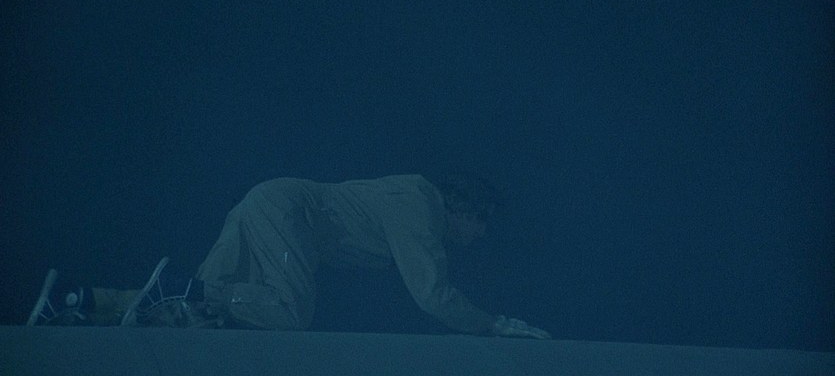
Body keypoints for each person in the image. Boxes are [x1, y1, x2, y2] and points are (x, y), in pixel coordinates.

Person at [27, 174, 551, 339]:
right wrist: (493, 324)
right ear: (466, 209)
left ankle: (78, 303)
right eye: (482, 224)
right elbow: (431, 295)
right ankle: (183, 288)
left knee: (192, 318)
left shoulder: (410, 199)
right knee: (288, 315)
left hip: (268, 204)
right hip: (285, 214)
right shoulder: (421, 207)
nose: (480, 236)